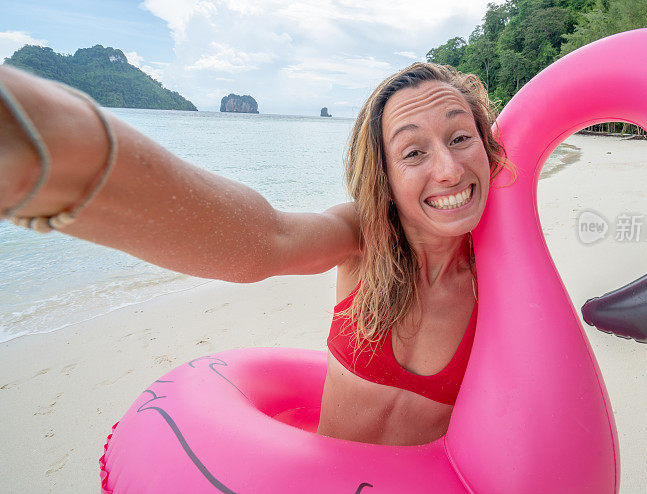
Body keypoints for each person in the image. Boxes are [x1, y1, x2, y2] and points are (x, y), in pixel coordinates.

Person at [0, 62, 508, 446]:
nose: (447, 170)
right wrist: (62, 156)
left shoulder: (507, 277)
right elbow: (269, 240)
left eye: (461, 138)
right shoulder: (365, 236)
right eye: (414, 151)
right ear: (386, 177)